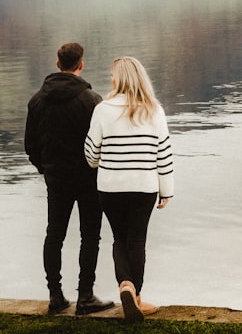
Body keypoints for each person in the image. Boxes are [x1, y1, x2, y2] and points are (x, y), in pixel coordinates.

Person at [84, 56, 174, 324]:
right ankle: (136, 298)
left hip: (110, 187)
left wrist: (105, 158)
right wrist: (166, 190)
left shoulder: (102, 109)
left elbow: (91, 154)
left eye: (113, 74)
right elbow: (164, 154)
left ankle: (125, 285)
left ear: (119, 79)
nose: (111, 78)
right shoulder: (154, 110)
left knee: (119, 239)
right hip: (143, 187)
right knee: (137, 240)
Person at [25, 42, 114, 316]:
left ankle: (55, 295)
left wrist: (46, 168)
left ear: (57, 63)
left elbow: (31, 145)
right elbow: (103, 143)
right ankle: (85, 296)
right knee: (90, 236)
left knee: (55, 234)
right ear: (81, 65)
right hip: (89, 178)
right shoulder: (91, 101)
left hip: (56, 179)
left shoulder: (37, 100)